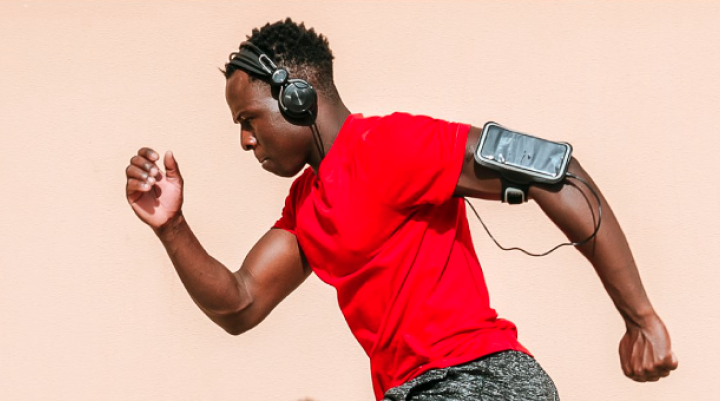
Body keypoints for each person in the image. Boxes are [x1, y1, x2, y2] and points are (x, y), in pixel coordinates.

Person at [124, 18, 678, 400]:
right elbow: (241, 303)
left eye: (248, 120)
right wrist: (171, 227)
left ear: (296, 96)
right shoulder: (306, 207)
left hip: (481, 381)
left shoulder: (389, 147)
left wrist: (641, 318)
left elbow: (557, 170)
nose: (246, 141)